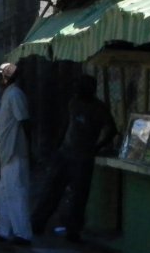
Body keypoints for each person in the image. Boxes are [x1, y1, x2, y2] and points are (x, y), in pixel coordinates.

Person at [35, 73, 118, 243]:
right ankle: (38, 223)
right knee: (53, 190)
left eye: (80, 87)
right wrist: (57, 148)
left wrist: (96, 147)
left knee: (78, 196)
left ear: (90, 89)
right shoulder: (74, 103)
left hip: (82, 156)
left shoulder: (98, 108)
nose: (76, 90)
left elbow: (112, 130)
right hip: (66, 153)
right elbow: (66, 125)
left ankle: (72, 230)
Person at [0, 62, 33, 246]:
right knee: (5, 192)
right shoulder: (9, 94)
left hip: (15, 149)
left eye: (0, 76)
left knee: (16, 192)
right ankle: (3, 231)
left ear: (5, 77)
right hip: (6, 150)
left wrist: (30, 147)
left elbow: (25, 121)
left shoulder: (15, 94)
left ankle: (22, 233)